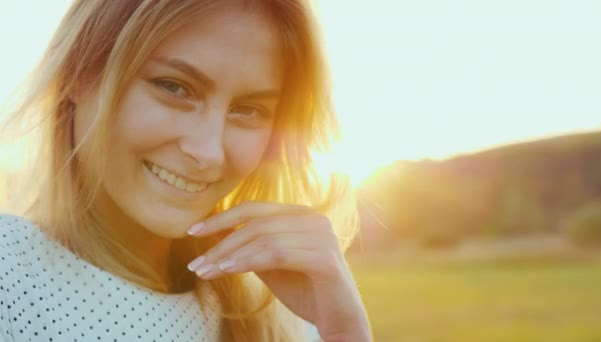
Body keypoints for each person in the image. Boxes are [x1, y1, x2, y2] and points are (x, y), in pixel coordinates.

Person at [0, 0, 371, 341]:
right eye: (174, 87)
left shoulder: (284, 316)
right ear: (78, 74)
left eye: (249, 110)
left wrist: (343, 330)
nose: (208, 151)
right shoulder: (10, 273)